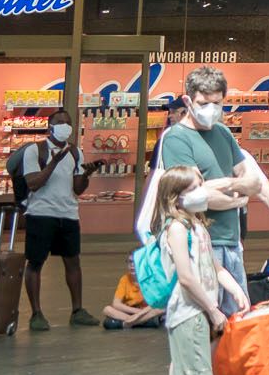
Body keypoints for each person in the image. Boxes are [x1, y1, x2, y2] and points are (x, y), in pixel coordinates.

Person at [152, 67, 269, 299]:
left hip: (232, 244)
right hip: (199, 244)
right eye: (203, 103)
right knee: (205, 321)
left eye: (217, 103)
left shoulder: (222, 133)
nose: (211, 110)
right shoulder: (176, 138)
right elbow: (196, 197)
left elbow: (257, 182)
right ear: (188, 100)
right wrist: (238, 194)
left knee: (234, 322)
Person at [152, 163, 241, 375]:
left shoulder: (197, 226)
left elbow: (213, 266)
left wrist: (233, 288)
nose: (202, 191)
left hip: (195, 313)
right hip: (189, 315)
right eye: (195, 187)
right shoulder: (176, 229)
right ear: (177, 198)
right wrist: (214, 310)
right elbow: (187, 278)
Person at [12, 105, 94, 329]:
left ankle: (77, 310)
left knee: (73, 261)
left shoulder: (76, 152)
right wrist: (54, 162)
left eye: (68, 122)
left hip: (68, 213)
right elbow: (33, 183)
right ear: (50, 127)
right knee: (36, 262)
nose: (65, 127)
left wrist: (86, 174)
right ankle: (36, 313)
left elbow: (77, 189)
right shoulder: (35, 151)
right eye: (60, 123)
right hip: (41, 213)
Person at [103, 252, 163, 329]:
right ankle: (138, 322)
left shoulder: (151, 279)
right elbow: (116, 304)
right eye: (130, 262)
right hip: (132, 312)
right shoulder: (124, 279)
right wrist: (136, 314)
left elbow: (156, 303)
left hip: (147, 312)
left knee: (160, 310)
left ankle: (127, 324)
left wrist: (140, 314)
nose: (132, 265)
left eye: (135, 262)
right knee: (107, 309)